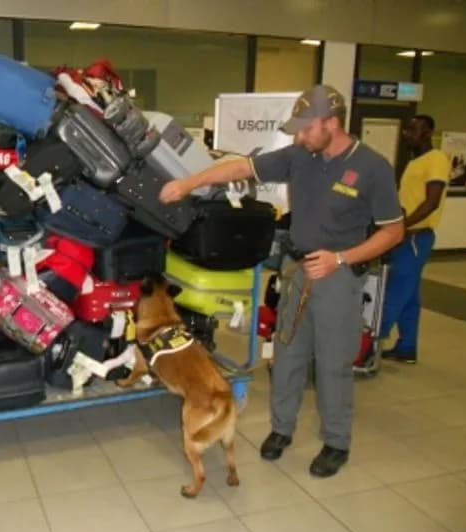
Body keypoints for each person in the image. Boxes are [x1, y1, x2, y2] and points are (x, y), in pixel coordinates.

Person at [160, 84, 404, 477]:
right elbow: (241, 167)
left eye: (306, 128)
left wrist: (340, 257)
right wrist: (188, 184)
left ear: (332, 123)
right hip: (297, 270)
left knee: (332, 365)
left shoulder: (372, 167)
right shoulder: (299, 156)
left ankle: (336, 442)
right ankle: (281, 429)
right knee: (287, 356)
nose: (299, 136)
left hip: (339, 276)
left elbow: (393, 231)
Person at [379, 115, 449, 364]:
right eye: (407, 129)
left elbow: (431, 203)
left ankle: (369, 344)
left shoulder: (437, 159)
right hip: (405, 235)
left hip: (416, 238)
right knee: (409, 296)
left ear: (428, 132)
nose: (407, 133)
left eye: (413, 129)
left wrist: (400, 226)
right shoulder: (414, 162)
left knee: (396, 291)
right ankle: (406, 347)